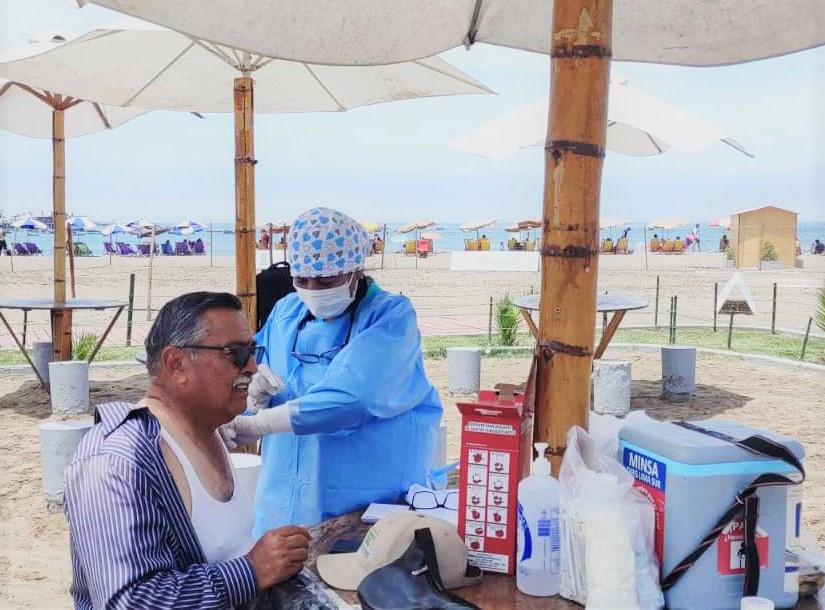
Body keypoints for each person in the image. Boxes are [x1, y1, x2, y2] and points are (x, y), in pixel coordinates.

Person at [63, 292, 310, 609]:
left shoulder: (205, 429)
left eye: (253, 351)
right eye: (235, 353)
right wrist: (251, 570)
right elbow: (132, 601)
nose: (252, 366)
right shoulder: (116, 461)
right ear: (176, 363)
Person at [223, 207, 442, 536]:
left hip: (366, 500)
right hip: (283, 499)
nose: (313, 289)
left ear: (356, 269)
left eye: (327, 280)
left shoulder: (390, 317)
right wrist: (254, 388)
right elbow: (252, 361)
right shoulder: (287, 311)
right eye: (301, 279)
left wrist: (259, 424)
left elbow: (353, 396)